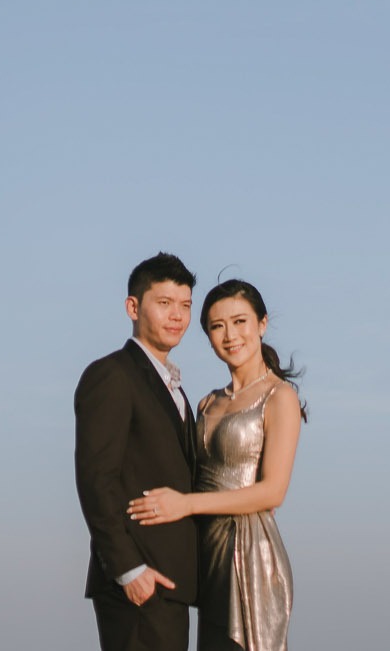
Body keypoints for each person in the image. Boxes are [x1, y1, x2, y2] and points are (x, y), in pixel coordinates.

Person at [128, 279, 304, 651]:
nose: (230, 335)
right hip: (206, 552)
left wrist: (186, 504)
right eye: (217, 326)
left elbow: (273, 492)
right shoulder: (207, 403)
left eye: (240, 322)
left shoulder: (279, 396)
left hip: (249, 554)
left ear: (262, 324)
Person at [75, 253, 200, 651]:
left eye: (185, 305)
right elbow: (97, 479)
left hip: (171, 584)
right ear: (133, 307)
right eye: (164, 303)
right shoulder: (111, 375)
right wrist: (128, 569)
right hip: (137, 584)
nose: (177, 315)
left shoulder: (176, 390)